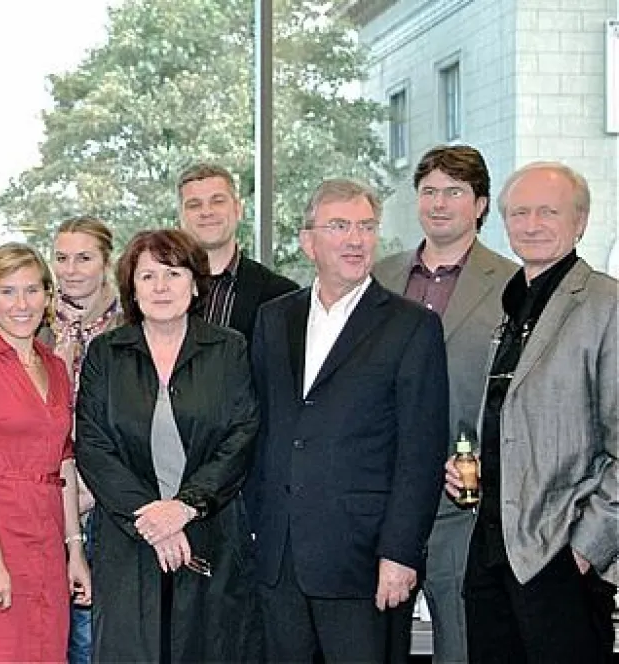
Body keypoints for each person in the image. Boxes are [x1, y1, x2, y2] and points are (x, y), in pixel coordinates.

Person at [248, 178, 449, 662]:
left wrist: (400, 553)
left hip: (365, 562)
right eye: (339, 226)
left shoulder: (412, 325)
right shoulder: (274, 319)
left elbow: (421, 453)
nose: (356, 240)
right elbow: (259, 430)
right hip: (279, 559)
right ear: (307, 240)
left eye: (366, 226)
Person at [446, 162, 617, 663]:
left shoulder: (606, 305)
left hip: (559, 558)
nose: (532, 223)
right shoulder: (511, 307)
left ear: (580, 221)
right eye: (520, 212)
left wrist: (586, 547)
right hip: (490, 553)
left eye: (549, 211)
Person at [75, 229, 261, 662]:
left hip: (209, 534)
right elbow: (93, 444)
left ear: (195, 284)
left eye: (173, 274)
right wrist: (151, 519)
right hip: (127, 540)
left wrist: (184, 508)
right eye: (148, 276)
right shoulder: (106, 353)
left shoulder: (228, 348)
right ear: (132, 289)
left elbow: (241, 436)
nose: (161, 287)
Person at [373, 145, 516, 663]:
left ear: (479, 204)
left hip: (464, 502)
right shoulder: (379, 277)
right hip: (381, 496)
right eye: (429, 191)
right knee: (376, 645)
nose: (439, 203)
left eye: (454, 192)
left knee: (463, 643)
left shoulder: (513, 284)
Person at [0, 242, 92, 662]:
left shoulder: (56, 366)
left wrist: (74, 549)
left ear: (48, 295)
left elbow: (64, 461)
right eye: (7, 291)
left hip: (46, 541)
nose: (21, 304)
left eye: (31, 290)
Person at [47, 215, 121, 664]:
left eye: (84, 258)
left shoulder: (132, 326)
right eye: (61, 257)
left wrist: (93, 491)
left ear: (106, 262)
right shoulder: (30, 321)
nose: (71, 269)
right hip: (44, 497)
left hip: (107, 501)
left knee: (90, 632)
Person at [176, 162, 298, 339]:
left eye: (217, 201)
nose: (206, 212)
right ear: (180, 218)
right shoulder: (155, 292)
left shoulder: (281, 295)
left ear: (238, 210)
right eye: (194, 205)